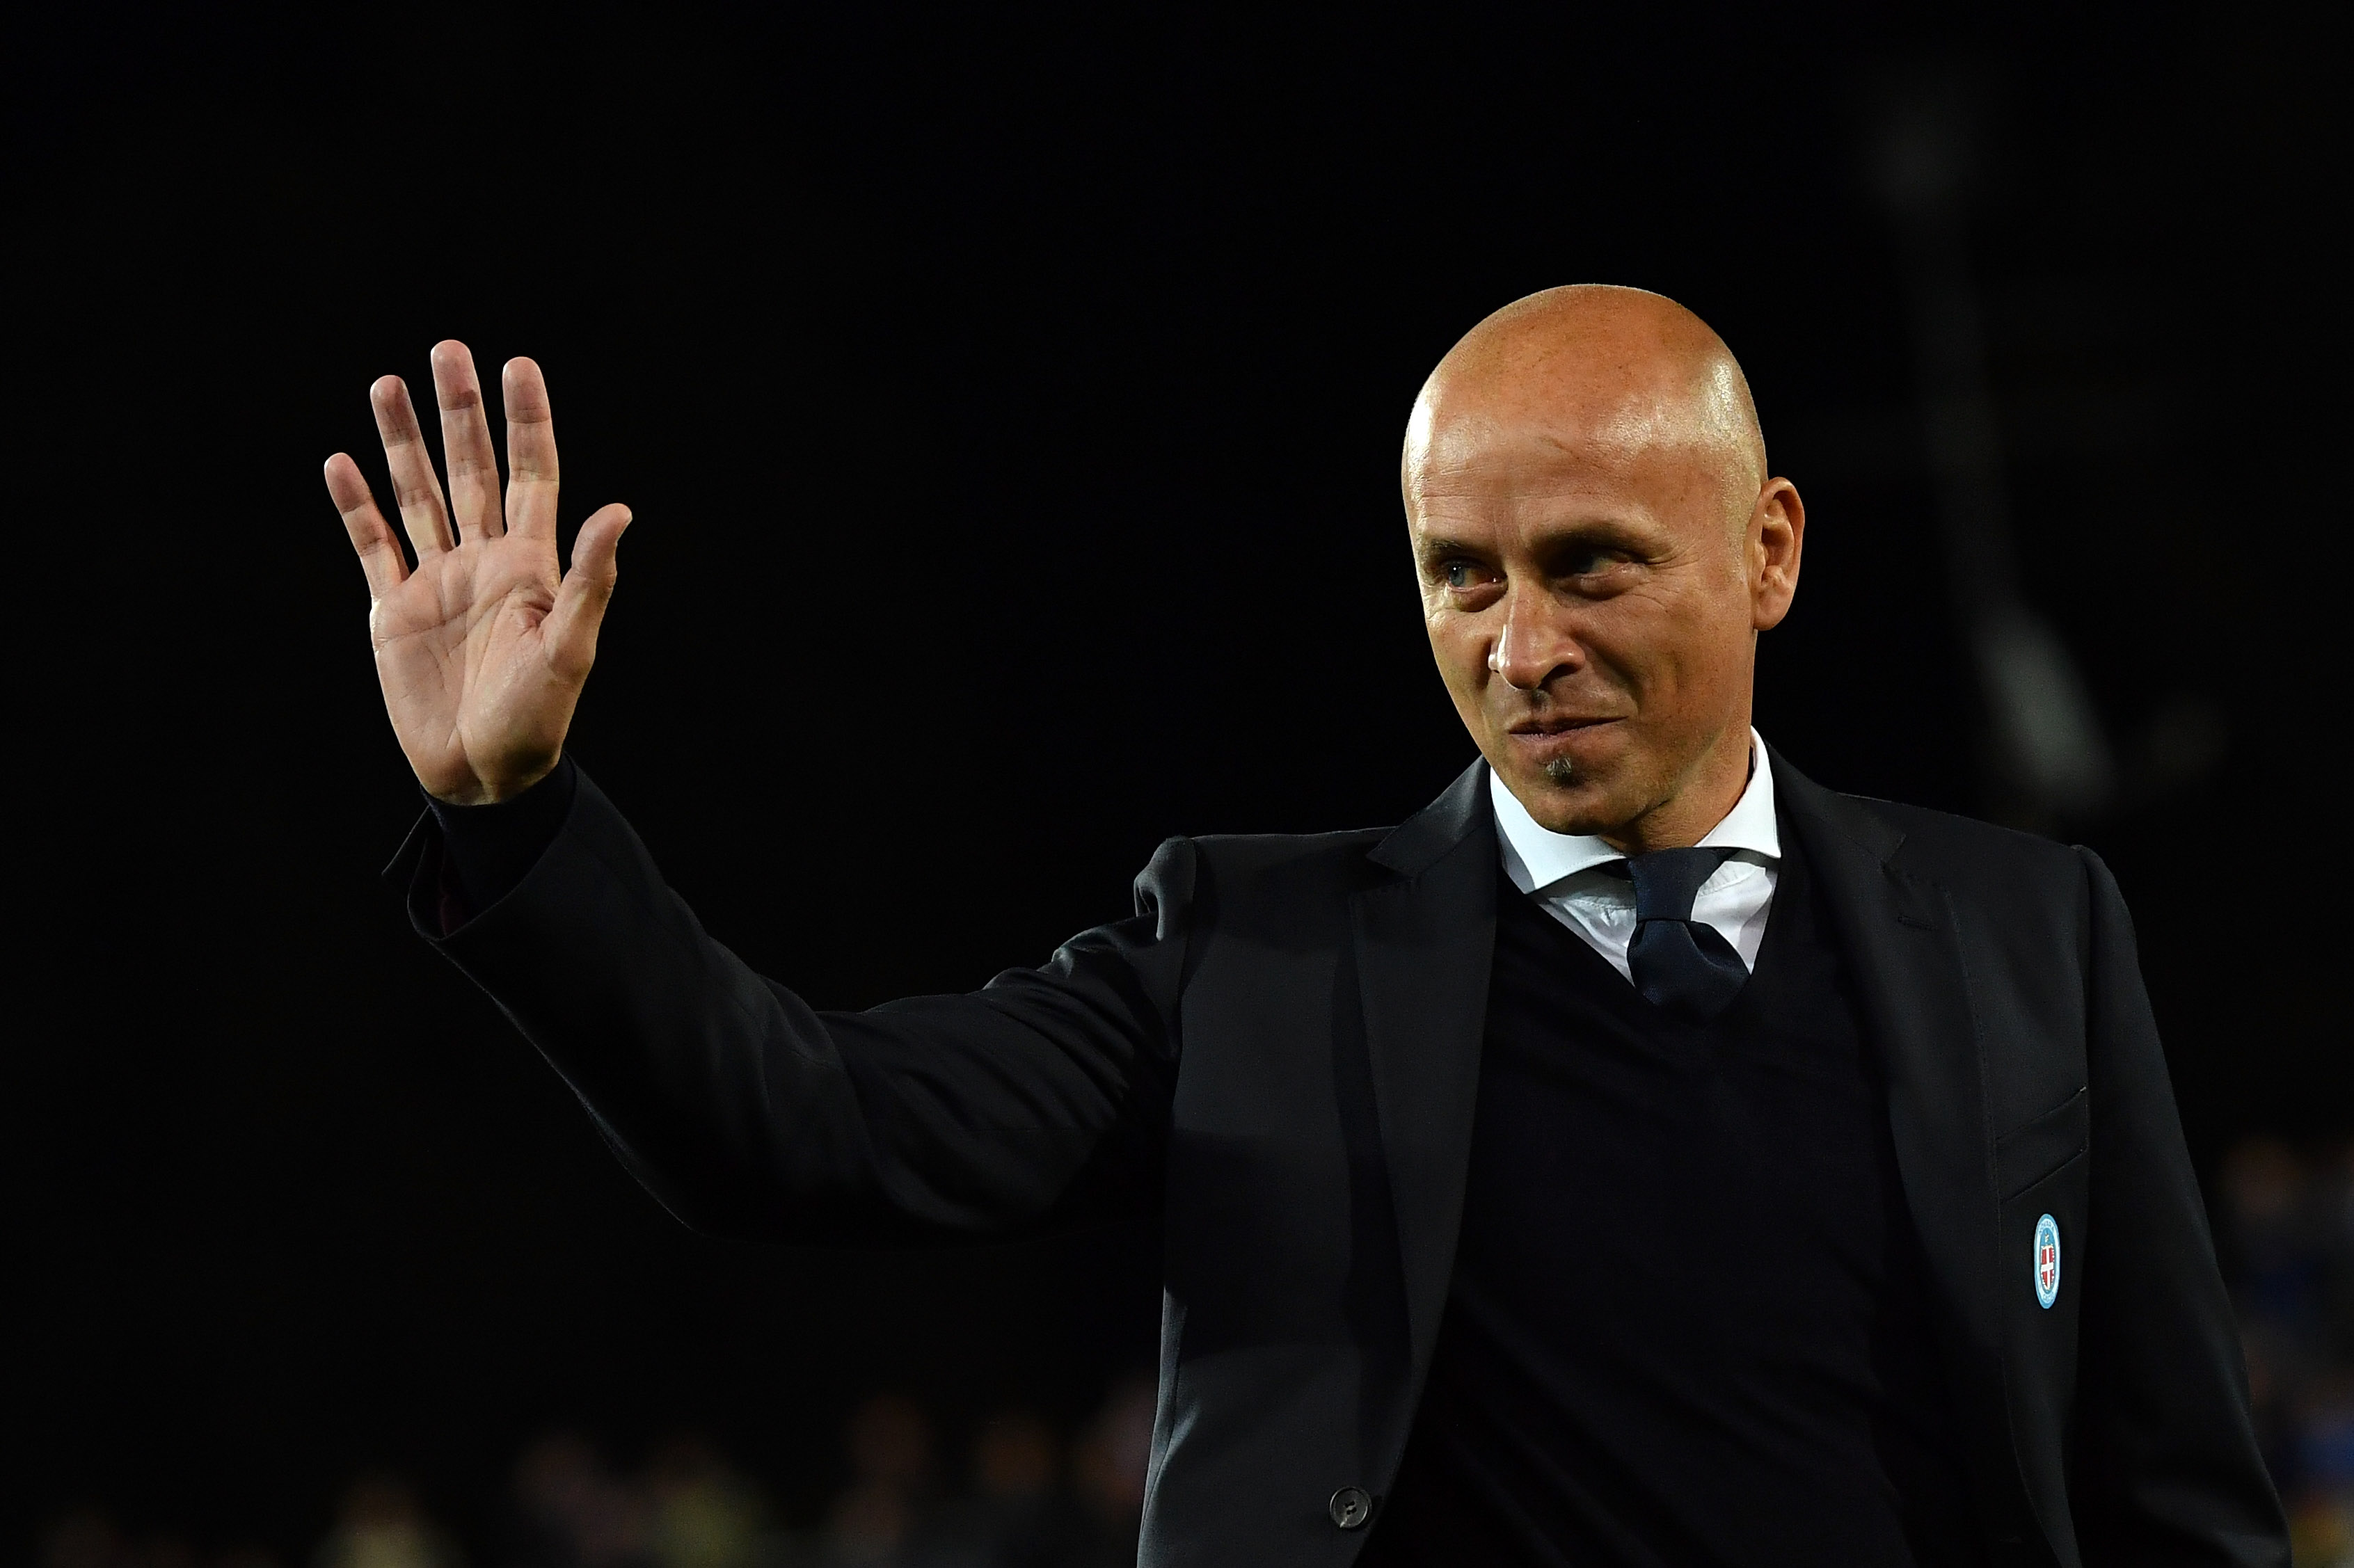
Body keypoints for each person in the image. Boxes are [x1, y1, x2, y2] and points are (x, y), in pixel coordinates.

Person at [324, 285, 2287, 1565]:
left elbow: (2171, 1496)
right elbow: (806, 1126)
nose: (1524, 648)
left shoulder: (2033, 933)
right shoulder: (1250, 957)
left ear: (1766, 552)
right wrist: (516, 816)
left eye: (1592, 565)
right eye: (1462, 578)